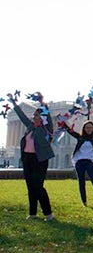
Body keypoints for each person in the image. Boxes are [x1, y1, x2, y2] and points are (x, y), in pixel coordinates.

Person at [9, 93, 55, 221]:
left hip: (40, 160)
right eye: (34, 115)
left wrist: (42, 102)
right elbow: (21, 116)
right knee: (30, 186)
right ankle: (33, 213)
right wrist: (14, 103)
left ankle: (48, 214)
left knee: (38, 186)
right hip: (27, 159)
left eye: (38, 115)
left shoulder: (46, 128)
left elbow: (49, 116)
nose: (35, 117)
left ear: (42, 117)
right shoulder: (30, 127)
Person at [65, 120, 93, 207]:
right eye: (87, 127)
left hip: (91, 162)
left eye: (91, 127)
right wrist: (62, 121)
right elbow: (70, 131)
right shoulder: (80, 137)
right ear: (84, 128)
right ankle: (84, 202)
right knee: (81, 182)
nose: (89, 129)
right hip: (80, 162)